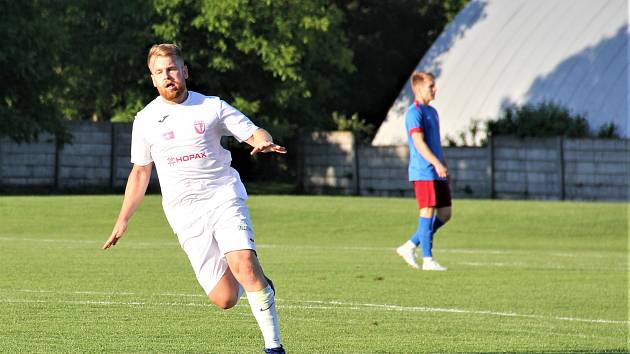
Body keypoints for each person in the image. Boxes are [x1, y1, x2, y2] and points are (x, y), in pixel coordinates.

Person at [102, 43, 286, 353]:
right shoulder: (146, 119)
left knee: (242, 262)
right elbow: (140, 172)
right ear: (152, 79)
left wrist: (263, 141)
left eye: (172, 69)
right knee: (225, 298)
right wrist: (123, 220)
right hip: (185, 213)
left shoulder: (211, 106)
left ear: (184, 70)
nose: (167, 76)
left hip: (223, 196)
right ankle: (259, 281)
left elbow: (254, 131)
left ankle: (274, 346)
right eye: (159, 72)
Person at [396, 71, 452, 271]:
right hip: (423, 171)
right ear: (418, 88)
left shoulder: (433, 112)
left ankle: (410, 245)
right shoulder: (414, 112)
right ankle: (428, 259)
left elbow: (435, 143)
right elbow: (418, 142)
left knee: (445, 214)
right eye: (431, 86)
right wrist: (435, 164)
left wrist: (443, 165)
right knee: (427, 211)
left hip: (437, 170)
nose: (435, 89)